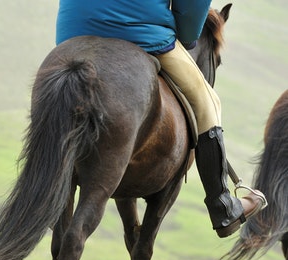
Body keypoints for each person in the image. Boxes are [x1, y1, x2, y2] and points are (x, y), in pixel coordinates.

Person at [55, 0, 267, 238]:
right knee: (209, 102)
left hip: (74, 28)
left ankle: (44, 183)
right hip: (137, 30)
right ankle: (224, 208)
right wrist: (186, 37)